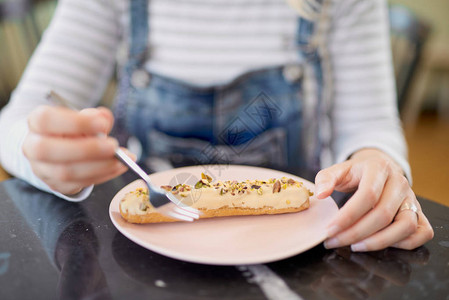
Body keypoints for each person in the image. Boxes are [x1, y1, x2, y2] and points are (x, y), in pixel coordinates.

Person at [0, 0, 433, 252]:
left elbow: (369, 124)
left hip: (300, 245)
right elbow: (13, 125)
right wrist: (42, 153)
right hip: (146, 250)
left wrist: (378, 163)